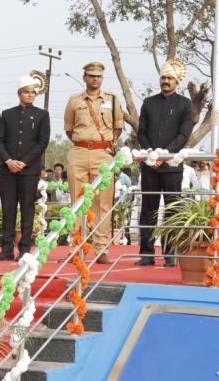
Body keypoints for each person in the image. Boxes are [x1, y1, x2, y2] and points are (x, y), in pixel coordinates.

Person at [136, 58, 195, 267]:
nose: (166, 81)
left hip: (172, 165)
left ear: (176, 81)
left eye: (170, 78)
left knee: (172, 209)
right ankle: (146, 253)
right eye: (163, 77)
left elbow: (184, 134)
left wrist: (165, 155)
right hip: (150, 165)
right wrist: (151, 153)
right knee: (148, 209)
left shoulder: (185, 104)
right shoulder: (148, 103)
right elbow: (141, 132)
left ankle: (170, 254)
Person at [64, 62, 124, 264]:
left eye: (98, 76)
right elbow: (69, 129)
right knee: (78, 201)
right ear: (84, 78)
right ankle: (77, 245)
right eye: (91, 76)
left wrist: (105, 144)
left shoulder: (113, 100)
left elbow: (118, 127)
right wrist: (84, 142)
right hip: (79, 151)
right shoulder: (74, 101)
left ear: (102, 79)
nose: (95, 79)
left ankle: (101, 248)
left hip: (103, 154)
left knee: (103, 203)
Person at [0, 75, 51, 261]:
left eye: (34, 92)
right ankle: (6, 249)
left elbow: (42, 143)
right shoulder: (7, 114)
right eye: (27, 92)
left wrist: (24, 162)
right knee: (8, 210)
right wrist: (8, 161)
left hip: (29, 170)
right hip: (8, 170)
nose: (31, 95)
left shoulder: (42, 115)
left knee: (27, 210)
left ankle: (24, 249)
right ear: (19, 94)